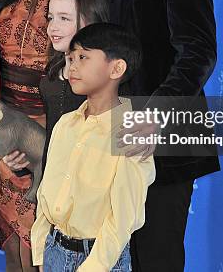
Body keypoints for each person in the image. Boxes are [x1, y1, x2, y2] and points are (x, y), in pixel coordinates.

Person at [84, 0, 220, 272]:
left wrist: (151, 116)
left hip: (161, 140)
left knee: (154, 258)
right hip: (105, 135)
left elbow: (197, 52)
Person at [0, 0, 97, 272]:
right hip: (2, 141)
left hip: (53, 143)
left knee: (47, 251)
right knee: (14, 250)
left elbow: (88, 82)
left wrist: (41, 141)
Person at [31, 23, 156, 272]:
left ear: (117, 68)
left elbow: (122, 220)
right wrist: (41, 249)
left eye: (83, 57)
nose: (72, 67)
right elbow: (47, 190)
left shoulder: (132, 133)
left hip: (100, 260)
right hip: (54, 251)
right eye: (70, 58)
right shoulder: (66, 124)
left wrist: (93, 267)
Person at [4, 0, 109, 176]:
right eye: (51, 18)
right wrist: (25, 161)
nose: (52, 27)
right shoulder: (53, 72)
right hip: (53, 193)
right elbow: (54, 142)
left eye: (64, 18)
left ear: (91, 21)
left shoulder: (108, 79)